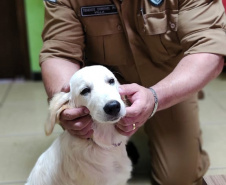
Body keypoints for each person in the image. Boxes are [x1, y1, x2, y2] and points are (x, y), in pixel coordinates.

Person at [40, 0, 226, 184]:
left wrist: (155, 98)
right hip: (102, 87)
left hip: (168, 84)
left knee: (178, 179)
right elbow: (59, 52)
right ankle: (120, 140)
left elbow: (209, 46)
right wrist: (69, 102)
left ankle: (139, 131)